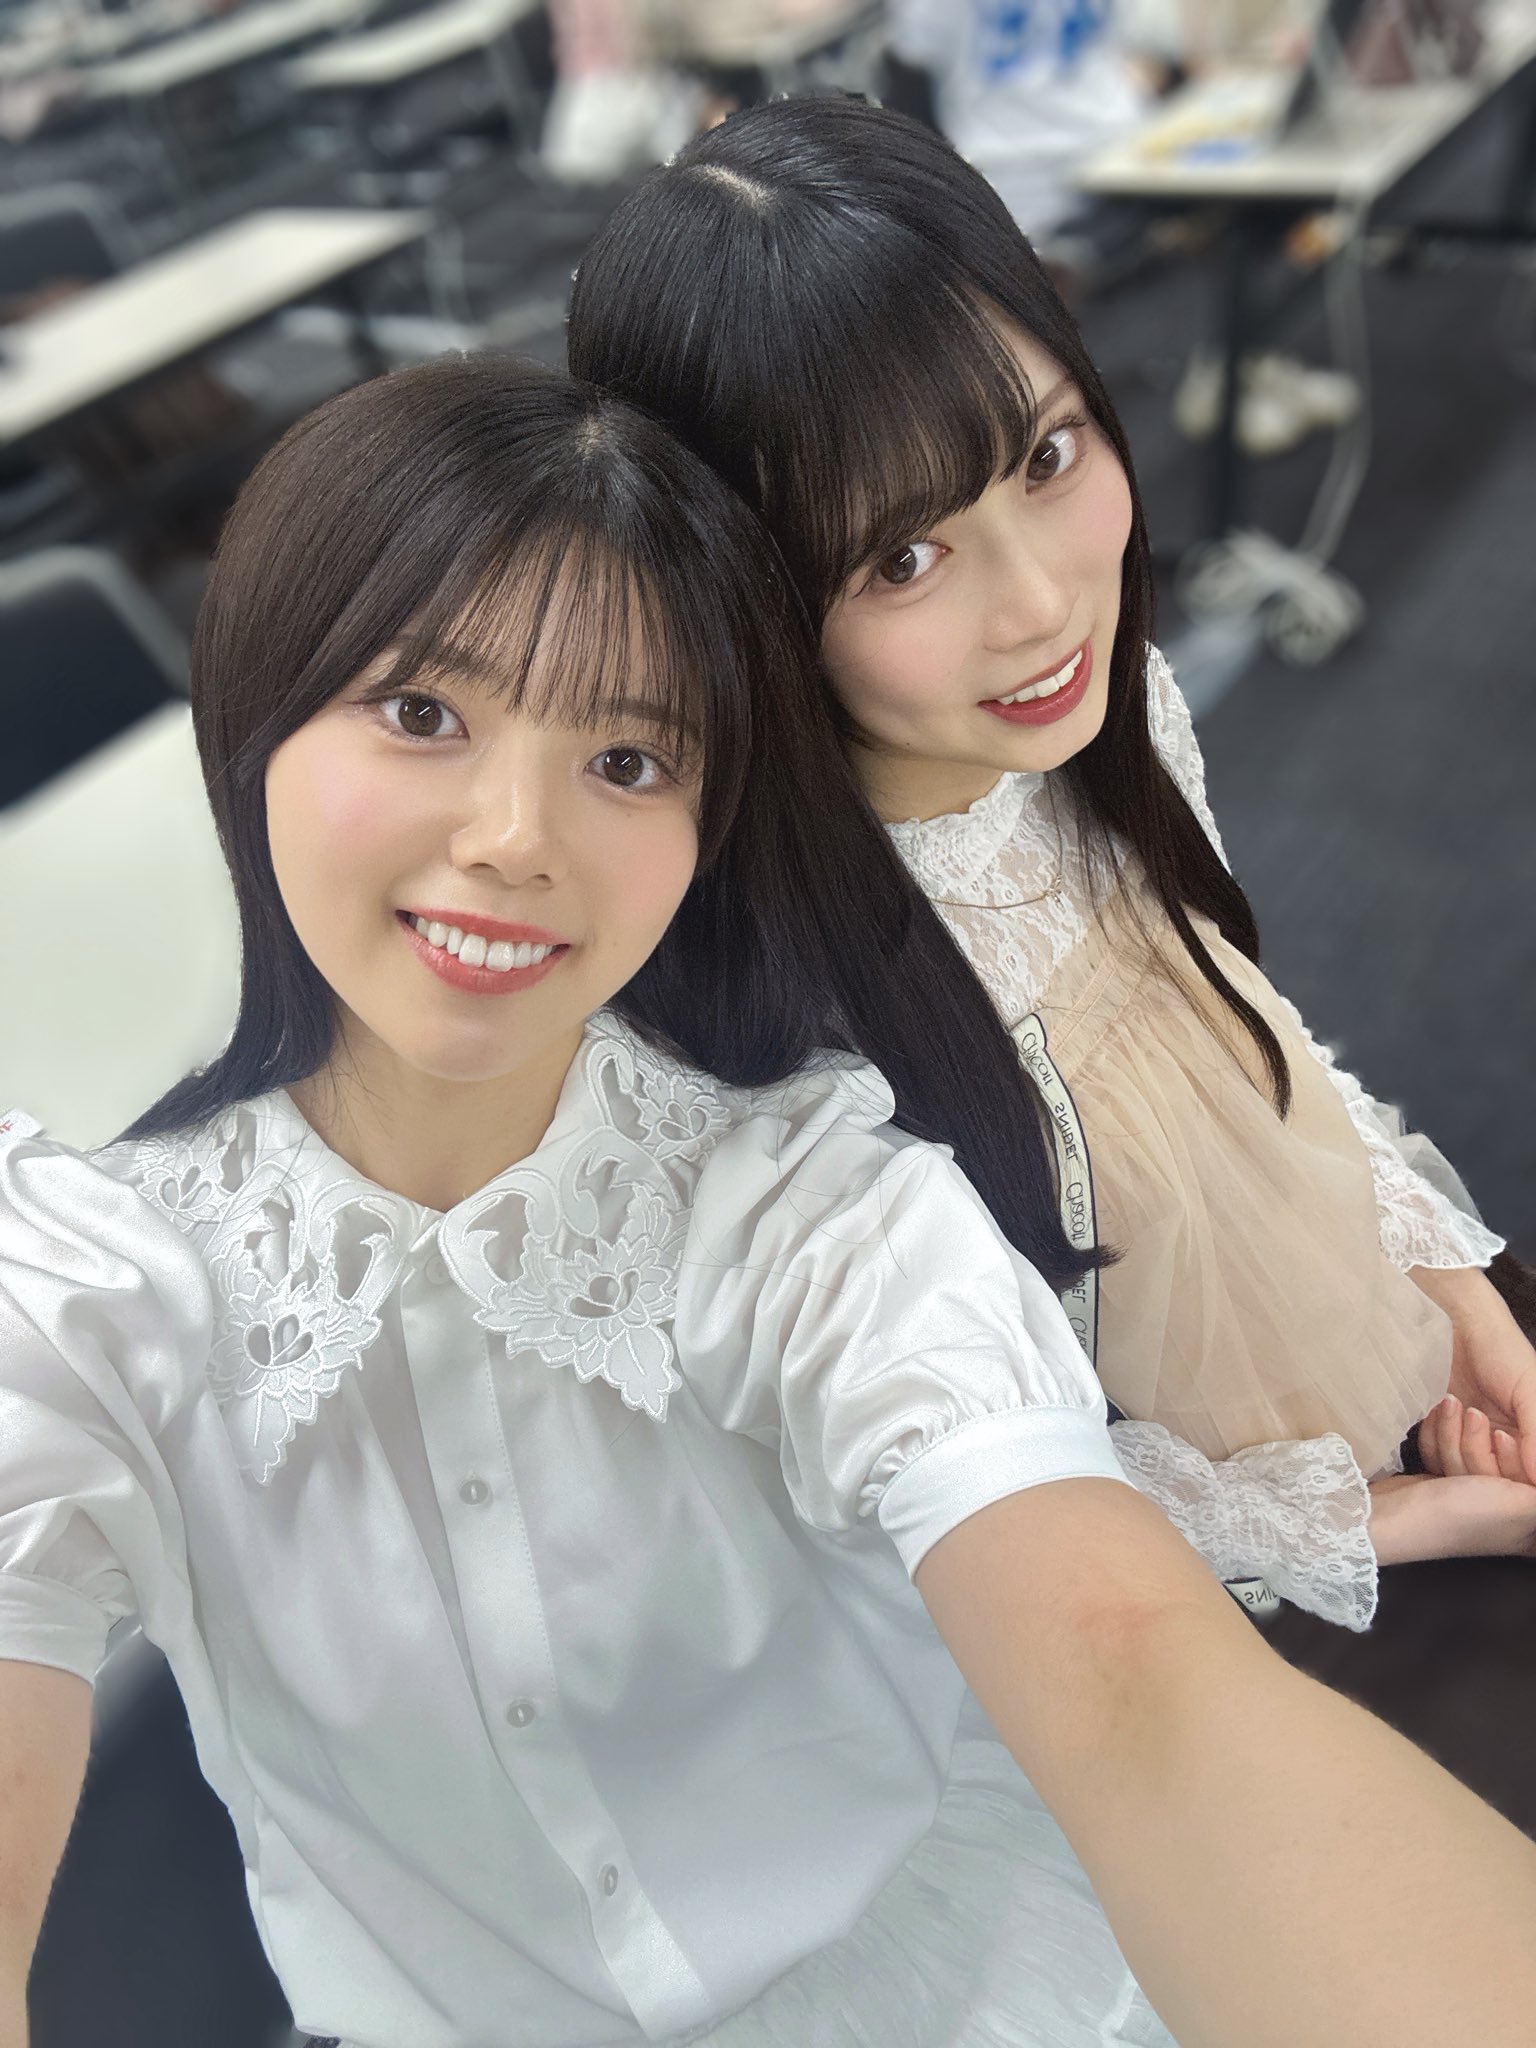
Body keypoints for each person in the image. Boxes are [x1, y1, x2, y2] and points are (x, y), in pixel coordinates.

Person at [6, 356, 1536, 2048]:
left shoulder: (815, 1204)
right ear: (254, 704)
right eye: (423, 713)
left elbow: (1133, 1673)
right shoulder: (81, 1289)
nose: (515, 837)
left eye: (629, 758)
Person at [566, 92, 1536, 1612]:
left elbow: (1238, 1043)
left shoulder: (1099, 719)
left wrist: (1449, 1287)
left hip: (1382, 1371)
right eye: (903, 556)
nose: (1039, 605)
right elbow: (902, 1496)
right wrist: (1375, 1523)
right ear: (736, 589)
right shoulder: (771, 1007)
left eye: (1045, 453)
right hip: (1152, 1589)